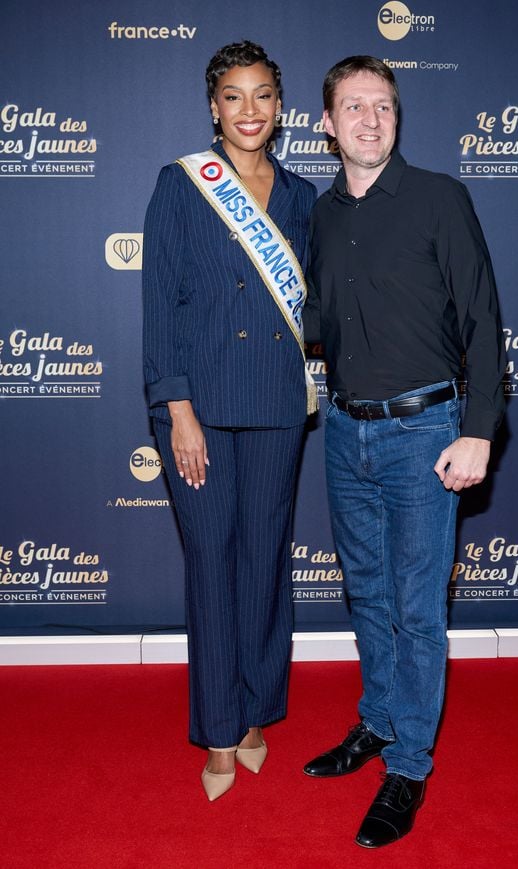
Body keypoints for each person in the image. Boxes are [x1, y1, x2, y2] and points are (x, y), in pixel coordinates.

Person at [302, 56, 506, 848]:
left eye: (382, 106)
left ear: (398, 117)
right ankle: (379, 725)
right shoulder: (319, 216)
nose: (369, 120)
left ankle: (410, 767)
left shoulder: (439, 199)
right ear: (327, 123)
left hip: (426, 433)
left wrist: (479, 427)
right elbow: (317, 321)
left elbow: (485, 322)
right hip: (344, 430)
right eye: (353, 107)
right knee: (369, 596)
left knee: (418, 612)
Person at [142, 40, 316, 802]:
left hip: (277, 404)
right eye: (234, 96)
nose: (250, 110)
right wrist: (179, 412)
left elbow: (320, 309)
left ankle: (254, 714)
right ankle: (218, 729)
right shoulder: (181, 187)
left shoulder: (304, 196)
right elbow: (159, 309)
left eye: (263, 95)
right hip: (200, 412)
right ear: (213, 107)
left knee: (265, 561)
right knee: (212, 562)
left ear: (281, 106)